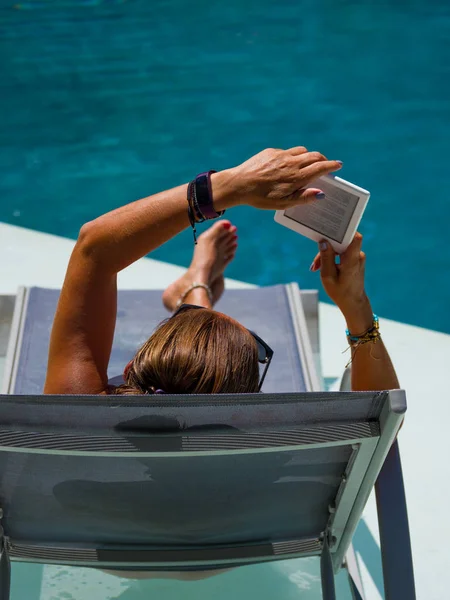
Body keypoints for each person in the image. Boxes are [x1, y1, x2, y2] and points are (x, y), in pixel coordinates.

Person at [44, 147, 399, 396]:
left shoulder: (80, 418)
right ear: (247, 398)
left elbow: (94, 248)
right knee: (207, 353)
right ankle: (193, 290)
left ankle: (195, 287)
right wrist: (356, 306)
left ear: (132, 366)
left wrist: (230, 186)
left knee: (201, 352)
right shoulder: (276, 448)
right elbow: (383, 417)